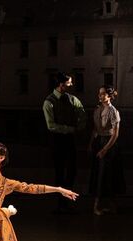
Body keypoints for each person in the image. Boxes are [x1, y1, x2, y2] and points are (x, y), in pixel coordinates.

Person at [43, 72, 86, 213]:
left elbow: (82, 113)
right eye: (69, 83)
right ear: (61, 85)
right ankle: (62, 203)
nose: (71, 85)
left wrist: (79, 125)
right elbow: (51, 125)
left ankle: (66, 200)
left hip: (69, 138)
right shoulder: (49, 102)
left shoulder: (72, 99)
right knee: (60, 172)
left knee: (72, 170)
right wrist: (71, 128)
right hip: (57, 140)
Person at [88, 85, 125, 215]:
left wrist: (105, 149)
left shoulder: (113, 111)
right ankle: (99, 205)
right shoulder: (97, 110)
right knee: (98, 174)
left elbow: (115, 134)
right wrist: (91, 143)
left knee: (107, 174)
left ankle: (104, 205)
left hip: (109, 144)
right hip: (99, 142)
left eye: (103, 94)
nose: (100, 96)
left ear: (109, 96)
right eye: (99, 93)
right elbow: (95, 129)